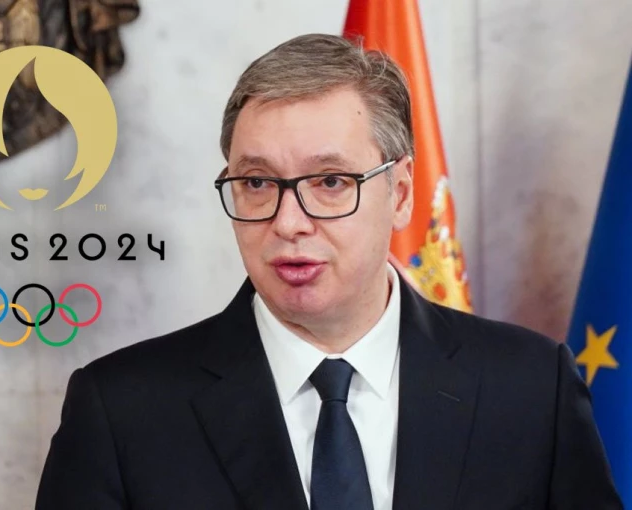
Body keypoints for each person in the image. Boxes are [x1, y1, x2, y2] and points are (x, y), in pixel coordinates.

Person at [35, 34, 622, 510]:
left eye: (331, 181)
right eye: (257, 182)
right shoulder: (120, 411)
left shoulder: (531, 387)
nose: (288, 222)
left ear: (400, 194)